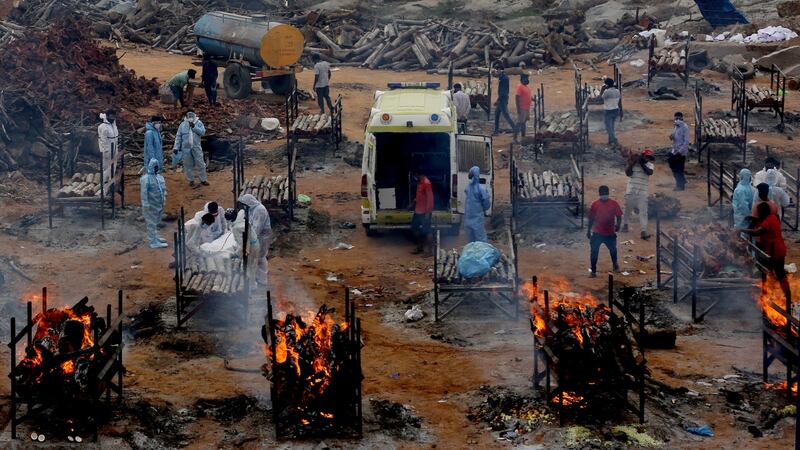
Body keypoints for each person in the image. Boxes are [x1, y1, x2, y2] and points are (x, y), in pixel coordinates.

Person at [741, 201, 791, 306]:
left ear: (762, 213)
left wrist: (742, 230)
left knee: (780, 274)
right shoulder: (773, 217)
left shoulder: (768, 221)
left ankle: (787, 297)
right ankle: (769, 293)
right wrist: (753, 219)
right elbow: (762, 221)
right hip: (776, 249)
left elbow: (757, 232)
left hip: (776, 251)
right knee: (769, 272)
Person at [587, 185, 623, 278]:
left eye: (605, 194)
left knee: (613, 250)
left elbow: (619, 215)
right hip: (597, 233)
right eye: (602, 194)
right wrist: (588, 230)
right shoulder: (595, 204)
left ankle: (615, 264)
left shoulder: (614, 203)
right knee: (594, 252)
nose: (604, 195)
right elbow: (591, 218)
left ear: (608, 194)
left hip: (610, 233)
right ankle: (593, 271)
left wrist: (618, 225)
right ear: (599, 194)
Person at [238, 193, 272, 287]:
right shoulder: (252, 209)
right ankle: (258, 276)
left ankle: (263, 279)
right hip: (257, 235)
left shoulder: (260, 210)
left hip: (263, 235)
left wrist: (249, 238)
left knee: (261, 256)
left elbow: (257, 227)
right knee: (255, 257)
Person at [621, 149, 654, 240]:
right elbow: (627, 173)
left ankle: (643, 231)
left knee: (643, 212)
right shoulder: (633, 163)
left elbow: (649, 172)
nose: (647, 158)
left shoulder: (650, 165)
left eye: (649, 157)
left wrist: (641, 163)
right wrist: (632, 164)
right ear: (642, 156)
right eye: (645, 156)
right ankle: (625, 225)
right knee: (627, 209)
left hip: (642, 192)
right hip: (631, 190)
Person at [174, 110, 207, 187]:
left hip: (196, 147)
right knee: (188, 164)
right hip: (186, 148)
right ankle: (191, 180)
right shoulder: (182, 125)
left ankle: (203, 180)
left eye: (192, 115)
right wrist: (176, 147)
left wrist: (194, 127)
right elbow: (178, 136)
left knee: (200, 163)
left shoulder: (198, 123)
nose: (190, 117)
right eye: (189, 116)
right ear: (186, 116)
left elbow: (202, 132)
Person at [140, 158, 167, 249]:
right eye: (154, 167)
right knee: (151, 224)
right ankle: (152, 242)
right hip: (150, 205)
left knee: (156, 222)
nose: (156, 169)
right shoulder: (146, 179)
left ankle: (156, 237)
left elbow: (163, 190)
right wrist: (145, 204)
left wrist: (164, 201)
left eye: (157, 167)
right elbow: (144, 193)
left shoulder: (159, 177)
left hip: (158, 205)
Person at [409, 169, 434, 255]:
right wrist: (413, 203)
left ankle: (430, 251)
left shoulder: (427, 183)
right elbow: (419, 196)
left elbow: (430, 199)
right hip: (418, 211)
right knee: (414, 228)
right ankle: (420, 247)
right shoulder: (420, 183)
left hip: (425, 212)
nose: (415, 177)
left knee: (427, 231)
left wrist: (428, 212)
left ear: (419, 175)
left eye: (416, 176)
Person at [464, 166, 491, 243]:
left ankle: (472, 254)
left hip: (468, 217)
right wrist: (484, 208)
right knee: (481, 239)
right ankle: (483, 254)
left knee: (471, 240)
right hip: (477, 218)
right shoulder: (481, 188)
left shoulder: (468, 188)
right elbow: (486, 201)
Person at [668, 111, 689, 191]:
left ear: (682, 118)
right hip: (674, 150)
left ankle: (680, 186)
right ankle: (682, 181)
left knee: (679, 169)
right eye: (676, 118)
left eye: (678, 118)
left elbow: (686, 141)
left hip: (681, 153)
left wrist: (680, 152)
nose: (677, 120)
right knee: (672, 165)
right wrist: (671, 137)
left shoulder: (684, 127)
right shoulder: (676, 127)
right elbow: (674, 137)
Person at [493, 64, 515, 134]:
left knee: (506, 115)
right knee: (497, 115)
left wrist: (498, 100)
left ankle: (515, 128)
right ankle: (496, 130)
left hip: (502, 100)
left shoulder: (504, 79)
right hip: (502, 99)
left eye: (498, 70)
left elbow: (503, 92)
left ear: (501, 70)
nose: (497, 72)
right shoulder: (503, 78)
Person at [97, 109, 119, 178]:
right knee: (106, 165)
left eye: (114, 116)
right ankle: (104, 181)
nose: (112, 118)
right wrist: (105, 150)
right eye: (111, 116)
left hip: (114, 146)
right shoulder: (103, 127)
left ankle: (111, 178)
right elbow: (102, 140)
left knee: (114, 163)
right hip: (108, 148)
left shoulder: (113, 125)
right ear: (107, 116)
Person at [601, 78, 621, 147]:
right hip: (616, 109)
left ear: (606, 85)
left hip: (609, 110)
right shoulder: (617, 91)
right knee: (611, 126)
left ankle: (613, 140)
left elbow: (601, 98)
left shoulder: (607, 92)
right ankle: (610, 141)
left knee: (608, 127)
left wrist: (603, 89)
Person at [513, 74, 533, 144]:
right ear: (522, 79)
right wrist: (518, 109)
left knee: (523, 123)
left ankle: (523, 136)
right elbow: (517, 98)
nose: (527, 80)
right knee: (519, 123)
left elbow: (528, 96)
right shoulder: (520, 87)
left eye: (527, 78)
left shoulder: (527, 87)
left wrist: (533, 99)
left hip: (527, 108)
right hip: (522, 108)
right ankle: (515, 138)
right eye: (526, 78)